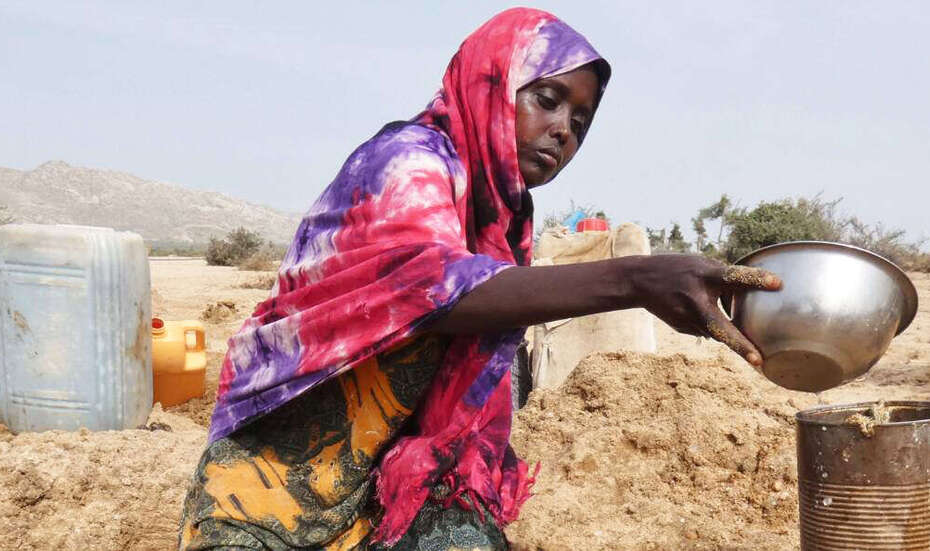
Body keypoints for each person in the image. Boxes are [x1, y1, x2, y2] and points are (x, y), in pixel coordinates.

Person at [178, 8, 780, 551]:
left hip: (389, 494)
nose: (563, 129)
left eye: (580, 119)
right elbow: (436, 293)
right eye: (546, 98)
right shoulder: (407, 162)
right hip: (268, 492)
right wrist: (639, 280)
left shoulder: (503, 218)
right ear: (489, 81)